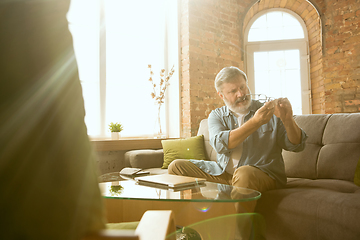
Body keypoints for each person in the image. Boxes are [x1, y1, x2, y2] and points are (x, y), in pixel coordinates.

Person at [168, 66, 307, 213]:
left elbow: (297, 145)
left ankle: (237, 233)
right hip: (223, 174)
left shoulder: (268, 111)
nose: (241, 94)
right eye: (233, 91)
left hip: (263, 174)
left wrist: (288, 120)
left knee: (244, 173)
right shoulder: (217, 116)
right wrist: (255, 122)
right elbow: (221, 145)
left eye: (242, 87)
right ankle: (190, 220)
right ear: (221, 95)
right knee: (176, 166)